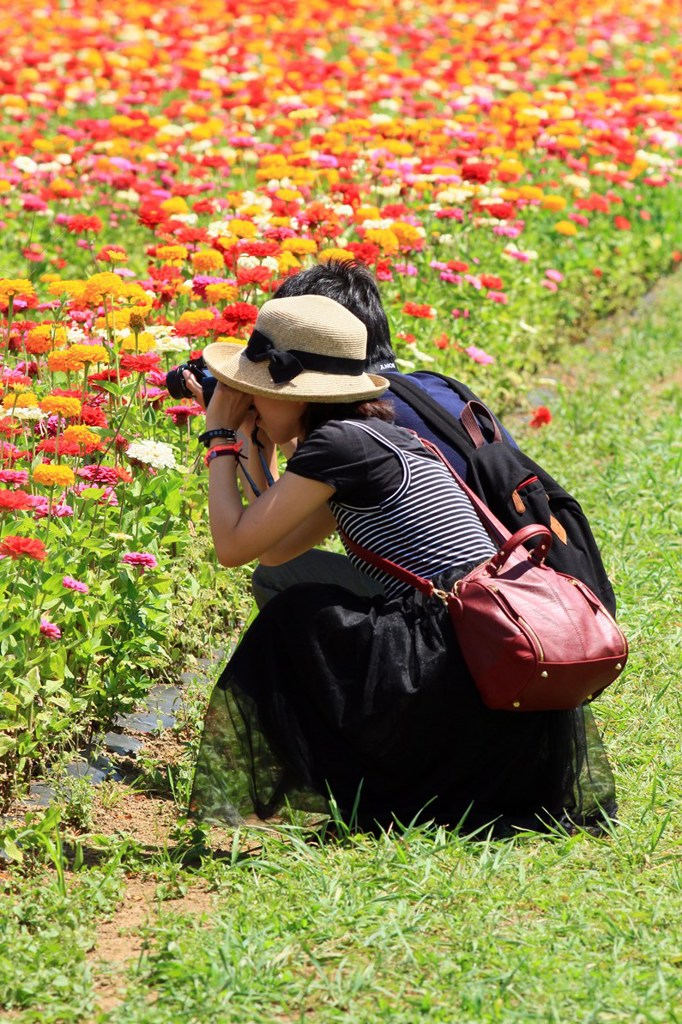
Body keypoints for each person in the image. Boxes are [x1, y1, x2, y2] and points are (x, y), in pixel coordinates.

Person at [188, 293, 616, 836]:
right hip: (484, 661)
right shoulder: (375, 438)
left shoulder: (338, 447)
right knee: (301, 590)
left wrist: (220, 437)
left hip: (459, 663)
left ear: (300, 396)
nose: (249, 403)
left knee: (297, 614)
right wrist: (250, 446)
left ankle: (356, 779)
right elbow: (274, 548)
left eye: (258, 393)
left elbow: (231, 547)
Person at [250, 258, 518, 607]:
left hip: (474, 614)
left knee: (278, 578)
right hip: (530, 582)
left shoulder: (364, 425)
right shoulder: (433, 389)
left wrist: (236, 432)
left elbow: (274, 543)